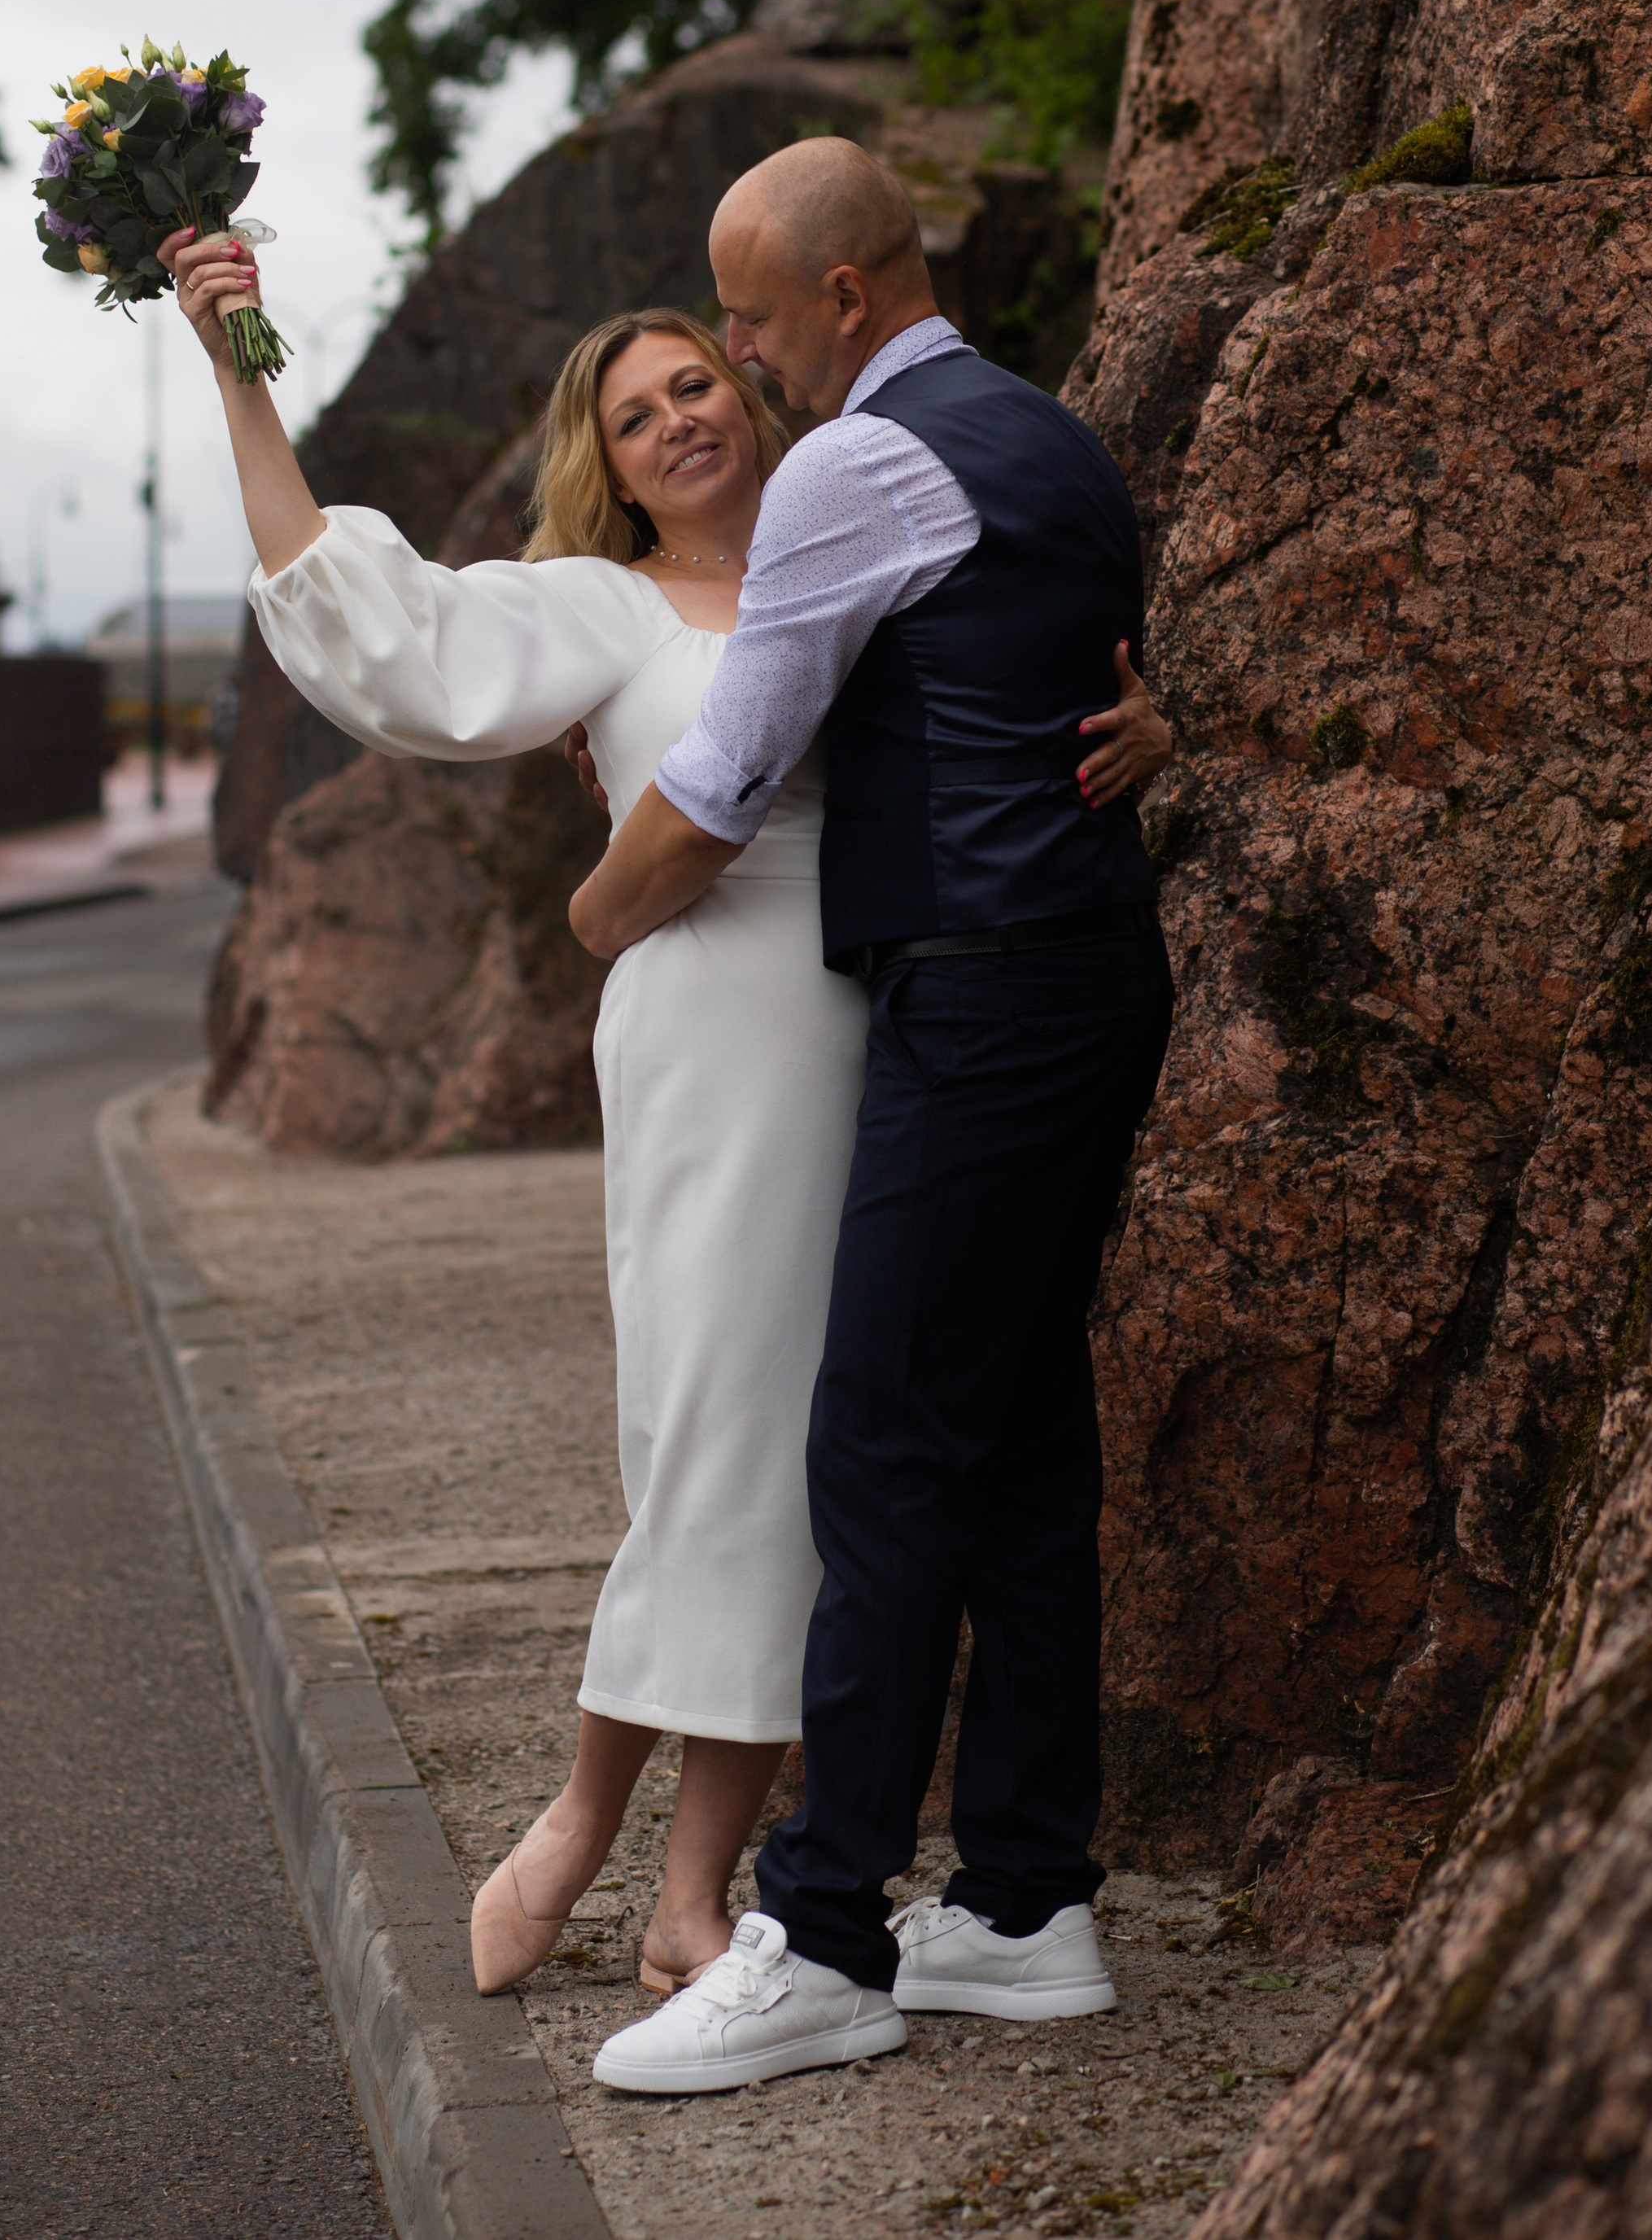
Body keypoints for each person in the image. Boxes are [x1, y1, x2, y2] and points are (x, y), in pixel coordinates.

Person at [160, 223, 1171, 2009]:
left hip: (896, 1029)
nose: (676, 422)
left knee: (825, 1459)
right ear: (603, 466)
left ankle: (691, 1893)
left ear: (752, 377)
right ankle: (582, 1825)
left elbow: (1020, 681)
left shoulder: (861, 535)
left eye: (694, 380)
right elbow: (360, 611)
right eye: (632, 418)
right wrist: (231, 353)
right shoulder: (601, 610)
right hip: (713, 1032)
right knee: (713, 1433)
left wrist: (1147, 725)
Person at [575, 138, 1176, 2097]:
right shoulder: (1056, 437)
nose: (734, 363)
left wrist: (594, 911)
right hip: (1085, 970)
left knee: (885, 1439)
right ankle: (1018, 1902)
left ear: (841, 297)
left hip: (981, 985)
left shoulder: (850, 458)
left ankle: (823, 1926)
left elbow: (734, 760)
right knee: (1013, 1437)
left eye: (742, 319)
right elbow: (1072, 683)